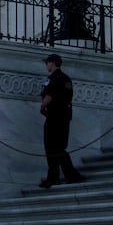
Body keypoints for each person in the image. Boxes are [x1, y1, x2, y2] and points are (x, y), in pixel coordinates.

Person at [39, 53, 85, 187]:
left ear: (52, 63)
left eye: (47, 62)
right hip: (65, 117)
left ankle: (55, 177)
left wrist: (42, 106)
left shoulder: (52, 79)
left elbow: (48, 96)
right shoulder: (67, 79)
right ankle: (69, 174)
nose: (46, 65)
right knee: (59, 147)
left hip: (53, 116)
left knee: (51, 147)